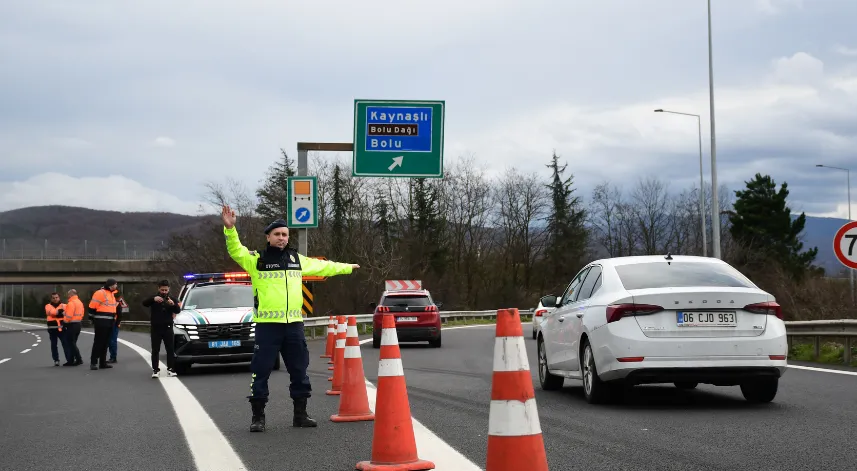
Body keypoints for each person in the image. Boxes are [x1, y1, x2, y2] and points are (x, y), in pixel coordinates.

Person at [220, 204, 359, 432]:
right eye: (277, 234)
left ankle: (301, 414)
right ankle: (258, 417)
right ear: (268, 237)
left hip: (293, 326)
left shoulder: (296, 258)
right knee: (261, 371)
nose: (282, 238)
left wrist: (347, 268)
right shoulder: (257, 260)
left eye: (285, 234)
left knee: (299, 369)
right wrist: (229, 230)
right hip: (267, 327)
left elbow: (323, 267)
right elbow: (236, 250)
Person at [142, 279, 181, 378]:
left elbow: (178, 311)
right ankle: (155, 370)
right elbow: (144, 303)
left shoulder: (172, 299)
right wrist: (153, 299)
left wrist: (173, 305)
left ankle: (171, 369)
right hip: (156, 328)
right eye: (162, 290)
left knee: (170, 349)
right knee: (155, 350)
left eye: (166, 290)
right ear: (158, 289)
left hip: (168, 328)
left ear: (169, 289)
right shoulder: (153, 298)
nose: (164, 292)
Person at [88, 279, 119, 370]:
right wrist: (92, 319)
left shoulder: (111, 294)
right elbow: (92, 307)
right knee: (98, 342)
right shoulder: (100, 293)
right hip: (101, 322)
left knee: (105, 343)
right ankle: (93, 362)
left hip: (110, 322)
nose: (116, 286)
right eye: (115, 284)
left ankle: (102, 363)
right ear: (111, 285)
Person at [44, 292, 71, 366]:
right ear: (51, 299)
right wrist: (59, 312)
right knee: (53, 345)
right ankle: (56, 360)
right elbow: (50, 312)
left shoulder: (64, 305)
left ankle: (69, 359)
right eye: (53, 298)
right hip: (52, 329)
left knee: (65, 344)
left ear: (59, 298)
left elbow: (66, 313)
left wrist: (57, 313)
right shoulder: (48, 306)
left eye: (56, 297)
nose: (55, 299)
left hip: (62, 329)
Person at [63, 289, 86, 366]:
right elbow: (82, 313)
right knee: (73, 343)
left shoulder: (71, 303)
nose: (68, 296)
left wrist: (65, 322)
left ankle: (78, 359)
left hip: (71, 325)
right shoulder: (80, 302)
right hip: (78, 324)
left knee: (70, 343)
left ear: (71, 295)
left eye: (68, 294)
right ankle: (71, 360)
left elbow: (69, 315)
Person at [107, 291, 128, 363]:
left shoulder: (116, 303)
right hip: (109, 324)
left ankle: (113, 357)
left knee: (112, 341)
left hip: (114, 324)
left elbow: (119, 315)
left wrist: (117, 324)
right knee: (109, 341)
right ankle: (111, 357)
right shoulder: (110, 302)